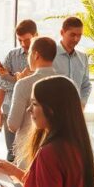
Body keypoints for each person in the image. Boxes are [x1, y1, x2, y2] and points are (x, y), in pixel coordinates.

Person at [6, 37, 58, 166]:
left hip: (28, 151)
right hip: (57, 150)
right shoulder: (66, 83)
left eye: (29, 53)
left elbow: (13, 125)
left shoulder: (24, 84)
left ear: (36, 55)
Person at [0, 20, 37, 163]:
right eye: (20, 40)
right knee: (11, 152)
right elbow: (3, 84)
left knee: (29, 153)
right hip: (10, 109)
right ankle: (10, 184)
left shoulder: (41, 57)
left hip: (31, 111)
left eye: (27, 40)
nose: (23, 44)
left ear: (36, 35)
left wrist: (12, 77)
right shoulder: (12, 55)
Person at [52, 16, 91, 107]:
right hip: (54, 110)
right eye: (72, 35)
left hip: (75, 111)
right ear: (62, 32)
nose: (76, 39)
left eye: (79, 35)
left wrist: (82, 104)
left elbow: (86, 85)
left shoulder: (83, 57)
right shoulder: (50, 55)